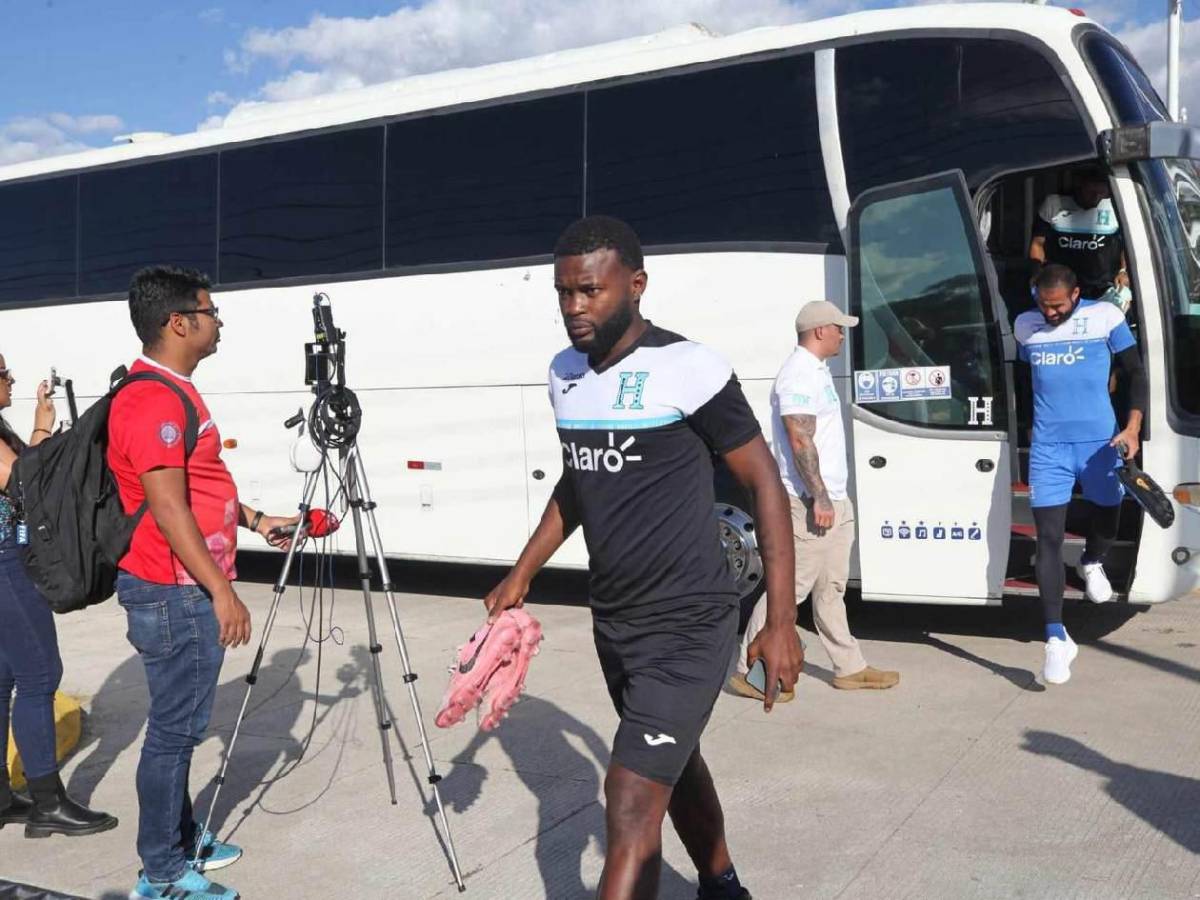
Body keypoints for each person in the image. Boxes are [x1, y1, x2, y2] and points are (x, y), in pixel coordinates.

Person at [484, 216, 803, 900]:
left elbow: (764, 482)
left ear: (635, 285)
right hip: (616, 621)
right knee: (671, 763)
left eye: (590, 291)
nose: (574, 308)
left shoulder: (689, 367)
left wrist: (781, 621)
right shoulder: (564, 373)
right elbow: (578, 481)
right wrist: (523, 571)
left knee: (628, 796)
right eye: (563, 292)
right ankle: (721, 883)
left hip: (691, 620)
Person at [108, 266, 297, 900]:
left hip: (180, 587)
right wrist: (222, 590)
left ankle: (183, 841)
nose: (218, 323)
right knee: (173, 734)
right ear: (178, 322)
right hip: (173, 592)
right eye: (211, 312)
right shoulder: (154, 399)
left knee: (181, 728)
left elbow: (196, 484)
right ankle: (160, 874)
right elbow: (167, 506)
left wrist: (254, 518)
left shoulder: (172, 391)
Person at [731, 302, 900, 698]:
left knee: (831, 589)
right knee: (787, 590)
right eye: (839, 328)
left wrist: (833, 498)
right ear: (820, 331)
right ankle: (749, 672)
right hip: (810, 502)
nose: (843, 335)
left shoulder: (816, 371)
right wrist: (819, 498)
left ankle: (849, 667)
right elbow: (799, 437)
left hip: (832, 499)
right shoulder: (798, 374)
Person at [0, 359, 119, 838]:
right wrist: (45, 435)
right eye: (2, 371)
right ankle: (48, 803)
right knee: (39, 675)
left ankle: (4, 799)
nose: (10, 378)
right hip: (6, 563)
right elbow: (24, 485)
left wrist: (38, 428)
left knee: (6, 676)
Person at [1014, 264, 1146, 685]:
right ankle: (1056, 636)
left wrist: (1132, 428)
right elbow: (1023, 377)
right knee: (1048, 537)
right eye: (1044, 305)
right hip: (1049, 448)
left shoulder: (1106, 315)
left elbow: (1136, 372)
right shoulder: (1025, 324)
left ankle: (1091, 561)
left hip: (1100, 444)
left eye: (1058, 306)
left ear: (1075, 296)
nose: (1050, 313)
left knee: (1108, 516)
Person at [1029, 167, 1130, 308]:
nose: (1096, 198)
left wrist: (1124, 271)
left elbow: (1128, 244)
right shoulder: (1054, 204)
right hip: (1061, 288)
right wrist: (1037, 272)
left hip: (1104, 290)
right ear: (1079, 184)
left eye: (1101, 193)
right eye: (1091, 193)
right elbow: (1037, 244)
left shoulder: (1115, 206)